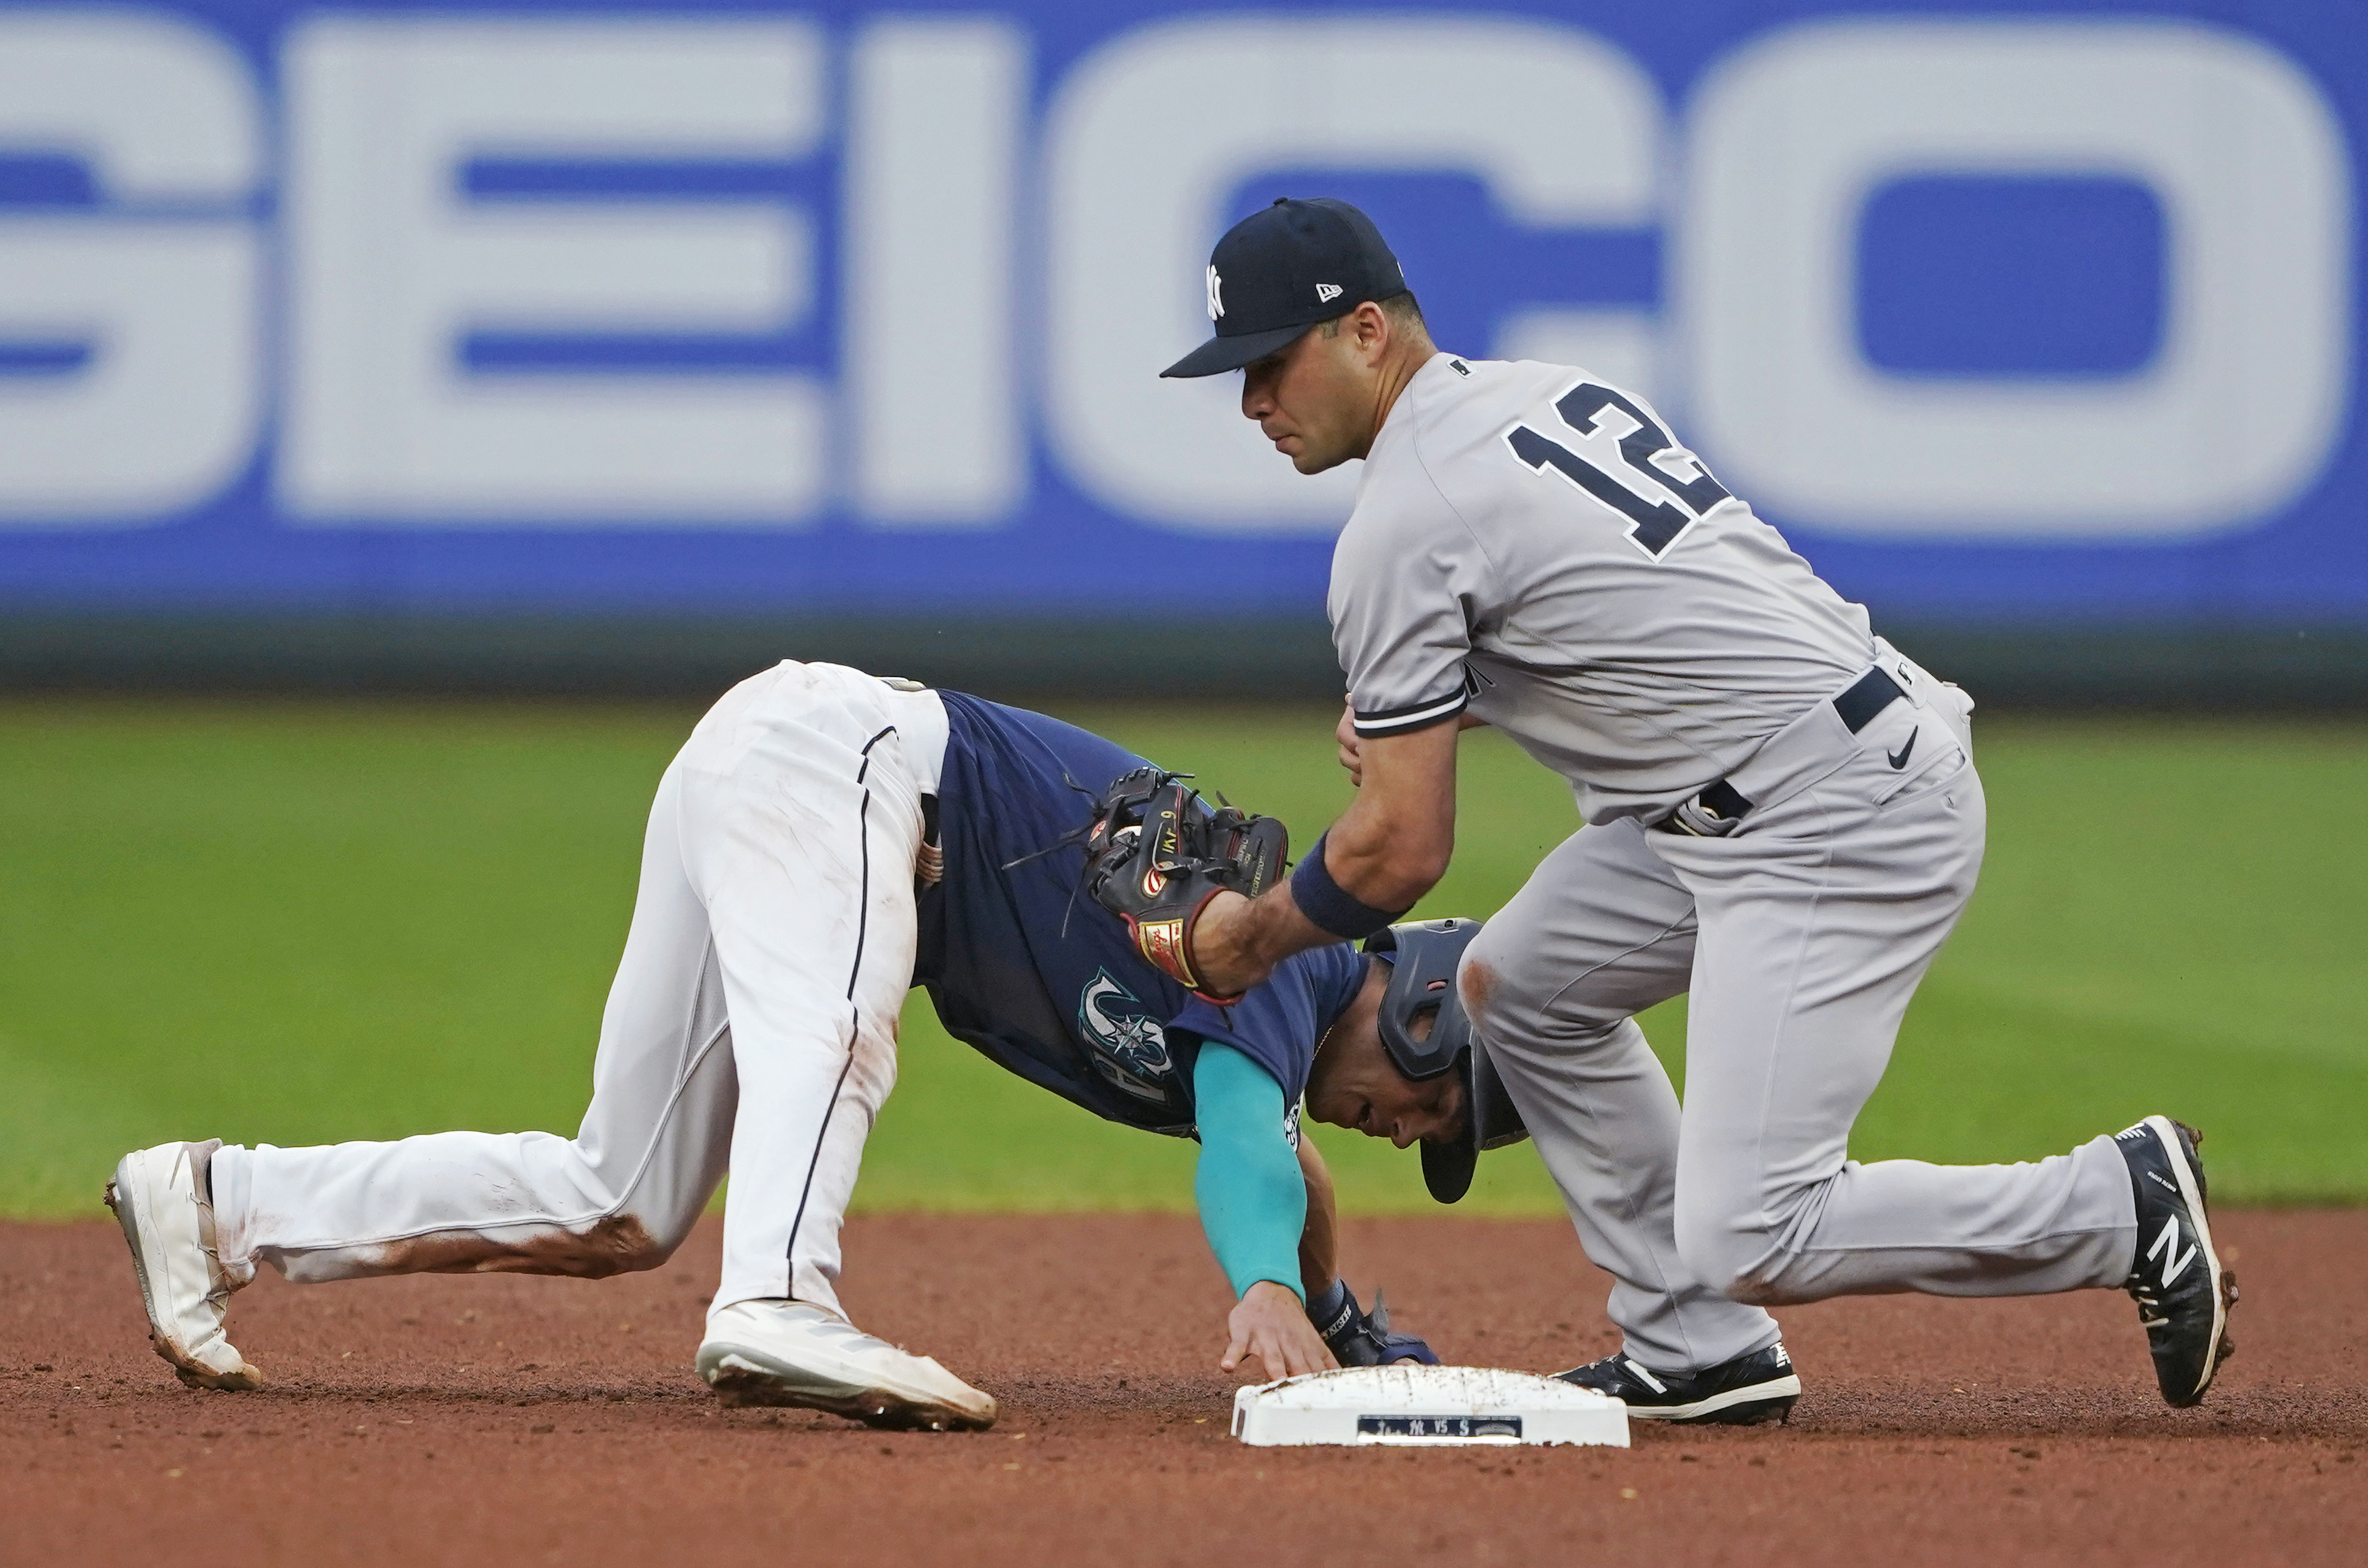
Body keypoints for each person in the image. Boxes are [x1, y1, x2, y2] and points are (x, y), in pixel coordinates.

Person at [1120, 196, 2234, 1421]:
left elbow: (1399, 851)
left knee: (1760, 1226)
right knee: (1517, 985)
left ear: (1367, 332)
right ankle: (1698, 1346)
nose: (1250, 404)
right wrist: (1466, 695)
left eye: (1270, 363)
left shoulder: (1400, 518)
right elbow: (1647, 610)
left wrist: (1251, 941)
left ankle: (2114, 1203)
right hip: (1777, 769)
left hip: (1827, 812)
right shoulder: (1539, 396)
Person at [103, 661, 1439, 1433]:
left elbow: (1279, 1159)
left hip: (788, 773)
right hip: (846, 764)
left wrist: (1324, 1314)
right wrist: (1263, 1284)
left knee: (618, 1197)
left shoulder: (1259, 1064)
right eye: (1438, 1107)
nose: (1413, 1134)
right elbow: (1264, 1158)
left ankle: (220, 1203)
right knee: (838, 1032)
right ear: (1413, 1001)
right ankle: (777, 1299)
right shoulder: (1300, 953)